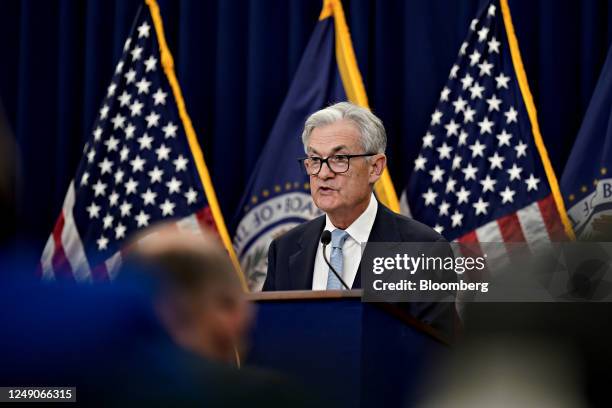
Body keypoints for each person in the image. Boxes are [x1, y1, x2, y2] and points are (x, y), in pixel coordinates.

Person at [263, 102, 456, 335]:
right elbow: (271, 335)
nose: (323, 173)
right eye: (315, 160)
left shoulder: (423, 249)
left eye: (339, 159)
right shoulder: (285, 248)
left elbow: (436, 354)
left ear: (375, 167)